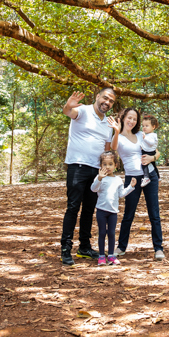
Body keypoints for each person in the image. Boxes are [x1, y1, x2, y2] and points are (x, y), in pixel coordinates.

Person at [60, 88, 120, 266]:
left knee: (89, 209)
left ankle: (84, 246)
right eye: (105, 98)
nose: (107, 102)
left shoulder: (107, 123)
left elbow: (108, 149)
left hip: (97, 171)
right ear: (97, 97)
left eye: (111, 101)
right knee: (73, 207)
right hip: (77, 166)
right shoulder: (84, 110)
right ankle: (65, 248)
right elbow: (69, 112)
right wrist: (67, 106)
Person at [114, 108, 165, 261]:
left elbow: (156, 152)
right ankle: (121, 247)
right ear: (123, 118)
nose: (132, 121)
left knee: (154, 213)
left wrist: (152, 159)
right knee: (128, 214)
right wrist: (116, 132)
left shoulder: (140, 135)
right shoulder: (119, 137)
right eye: (129, 118)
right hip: (132, 179)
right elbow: (112, 147)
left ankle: (158, 248)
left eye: (135, 119)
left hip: (150, 176)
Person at [90, 151, 135, 266]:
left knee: (111, 233)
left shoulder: (118, 180)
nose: (107, 167)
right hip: (101, 210)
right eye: (104, 164)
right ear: (101, 166)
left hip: (113, 212)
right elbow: (93, 189)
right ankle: (101, 256)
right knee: (102, 232)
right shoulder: (100, 178)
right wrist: (99, 178)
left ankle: (111, 255)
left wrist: (131, 187)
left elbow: (121, 194)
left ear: (116, 165)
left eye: (110, 164)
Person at [140, 114, 159, 187]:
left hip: (149, 152)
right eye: (143, 126)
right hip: (148, 151)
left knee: (144, 164)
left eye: (147, 126)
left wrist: (144, 138)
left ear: (153, 127)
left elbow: (151, 143)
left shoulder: (153, 135)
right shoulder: (147, 135)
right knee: (153, 165)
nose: (144, 127)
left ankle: (146, 177)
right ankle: (158, 177)